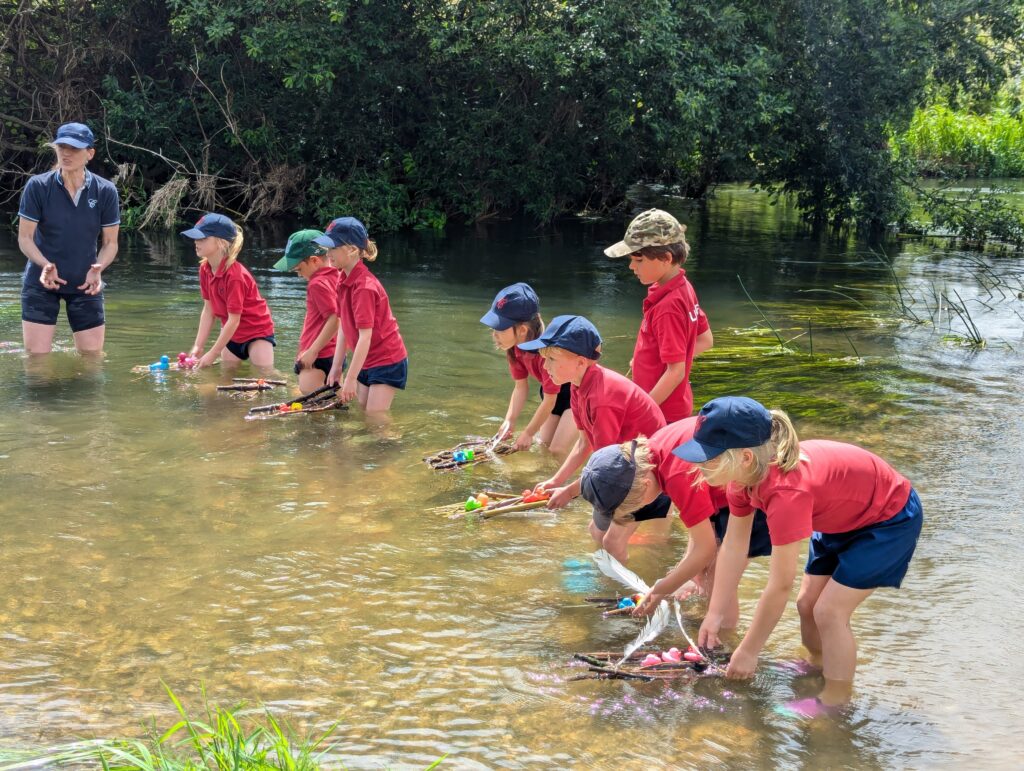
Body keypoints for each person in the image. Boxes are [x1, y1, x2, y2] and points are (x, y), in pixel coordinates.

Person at [676, 396, 923, 716]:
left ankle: (836, 701)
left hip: (889, 518)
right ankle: (819, 665)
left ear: (745, 457)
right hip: (843, 516)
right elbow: (735, 547)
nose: (699, 466)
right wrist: (715, 612)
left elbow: (780, 584)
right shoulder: (741, 479)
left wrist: (750, 650)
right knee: (807, 604)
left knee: (829, 612)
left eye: (708, 457)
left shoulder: (786, 492)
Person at [580, 416, 772, 587]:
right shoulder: (653, 452)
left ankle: (718, 625)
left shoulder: (677, 476)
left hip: (756, 484)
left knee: (716, 584)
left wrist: (662, 588)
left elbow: (704, 548)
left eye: (636, 507)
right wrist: (684, 573)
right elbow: (701, 525)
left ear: (645, 486)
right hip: (728, 485)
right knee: (698, 576)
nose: (642, 510)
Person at [521, 315, 665, 511]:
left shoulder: (602, 399)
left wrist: (570, 492)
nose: (545, 367)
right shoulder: (576, 385)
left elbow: (604, 468)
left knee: (610, 534)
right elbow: (584, 443)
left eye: (552, 359)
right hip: (625, 464)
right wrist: (556, 481)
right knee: (601, 531)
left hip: (650, 472)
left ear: (580, 363)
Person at [17, 122, 120, 354]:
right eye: (61, 146)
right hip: (41, 282)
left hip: (86, 282)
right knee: (37, 360)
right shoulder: (38, 186)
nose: (66, 153)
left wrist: (99, 268)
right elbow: (25, 238)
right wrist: (44, 265)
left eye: (74, 148)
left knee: (92, 360)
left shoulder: (105, 191)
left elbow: (111, 243)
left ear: (90, 154)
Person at [604, 209, 712, 422]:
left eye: (638, 259)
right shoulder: (683, 288)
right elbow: (705, 339)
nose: (631, 266)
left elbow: (676, 372)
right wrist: (651, 360)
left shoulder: (668, 307)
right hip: (676, 403)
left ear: (666, 258)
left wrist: (641, 411)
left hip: (661, 412)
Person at [316, 217, 408, 413]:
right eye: (327, 248)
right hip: (366, 359)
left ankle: (397, 443)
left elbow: (365, 337)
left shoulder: (364, 287)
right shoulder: (342, 278)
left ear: (352, 249)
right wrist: (337, 366)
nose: (328, 254)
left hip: (387, 360)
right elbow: (343, 326)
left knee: (376, 419)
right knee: (365, 413)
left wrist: (350, 379)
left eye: (333, 248)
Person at [480, 282, 578, 454]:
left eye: (499, 329)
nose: (493, 334)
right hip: (552, 395)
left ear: (523, 330)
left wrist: (528, 432)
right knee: (543, 446)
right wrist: (510, 420)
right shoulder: (513, 347)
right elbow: (520, 387)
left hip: (578, 394)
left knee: (557, 450)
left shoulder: (547, 353)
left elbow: (549, 401)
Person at [180, 213, 275, 369]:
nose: (196, 242)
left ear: (220, 242)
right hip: (232, 335)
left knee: (266, 376)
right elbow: (208, 310)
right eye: (196, 238)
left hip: (256, 332)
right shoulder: (205, 269)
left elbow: (234, 320)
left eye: (203, 238)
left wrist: (213, 353)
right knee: (226, 380)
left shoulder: (235, 276)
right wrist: (198, 346)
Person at [273, 229, 339, 393]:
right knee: (331, 404)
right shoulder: (337, 276)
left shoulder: (317, 284)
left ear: (314, 260)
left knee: (310, 408)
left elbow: (335, 318)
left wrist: (312, 351)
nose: (299, 275)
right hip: (334, 353)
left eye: (299, 269)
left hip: (317, 358)